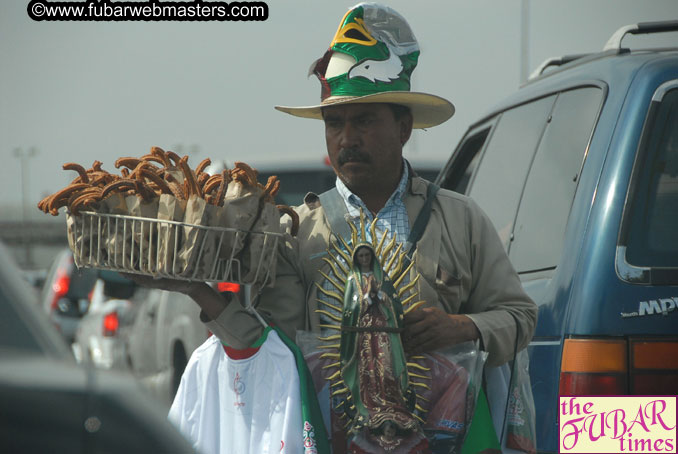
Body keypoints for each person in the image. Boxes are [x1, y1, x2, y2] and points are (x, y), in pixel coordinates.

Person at [137, 2, 537, 452]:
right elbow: (276, 353)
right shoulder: (297, 234)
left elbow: (521, 317)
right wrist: (201, 293)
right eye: (334, 123)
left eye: (364, 121)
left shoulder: (461, 220)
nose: (347, 138)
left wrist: (463, 327)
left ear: (404, 127)